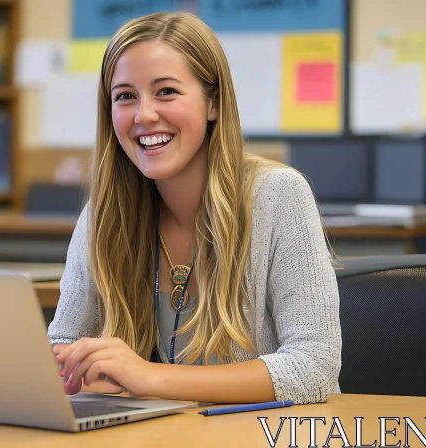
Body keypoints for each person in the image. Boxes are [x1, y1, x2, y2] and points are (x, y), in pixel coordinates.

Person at [48, 11, 341, 405]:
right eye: (125, 96)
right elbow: (63, 354)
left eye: (166, 91)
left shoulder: (279, 196)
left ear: (213, 103)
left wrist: (149, 377)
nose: (144, 114)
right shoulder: (104, 215)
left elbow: (313, 368)